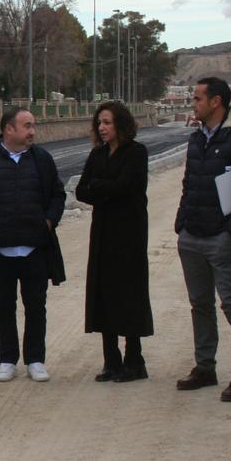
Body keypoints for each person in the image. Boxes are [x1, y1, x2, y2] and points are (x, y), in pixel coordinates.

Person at [174, 76, 231, 401]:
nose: (192, 103)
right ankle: (205, 367)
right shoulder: (197, 138)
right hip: (192, 235)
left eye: (197, 98)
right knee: (200, 304)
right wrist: (181, 223)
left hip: (223, 237)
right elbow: (189, 182)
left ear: (216, 102)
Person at [0, 108, 66, 383]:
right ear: (8, 129)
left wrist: (49, 222)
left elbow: (57, 195)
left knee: (36, 307)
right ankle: (7, 360)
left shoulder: (42, 159)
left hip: (34, 249)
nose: (32, 132)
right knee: (3, 307)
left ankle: (36, 360)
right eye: (27, 126)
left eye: (33, 125)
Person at [76, 102, 153, 383]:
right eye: (99, 123)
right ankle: (112, 360)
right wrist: (105, 188)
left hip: (129, 234)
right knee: (104, 293)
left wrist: (101, 188)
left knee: (128, 294)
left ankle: (134, 360)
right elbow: (83, 190)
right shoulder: (97, 155)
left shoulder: (136, 153)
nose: (102, 128)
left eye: (107, 122)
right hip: (103, 233)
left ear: (120, 123)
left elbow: (128, 187)